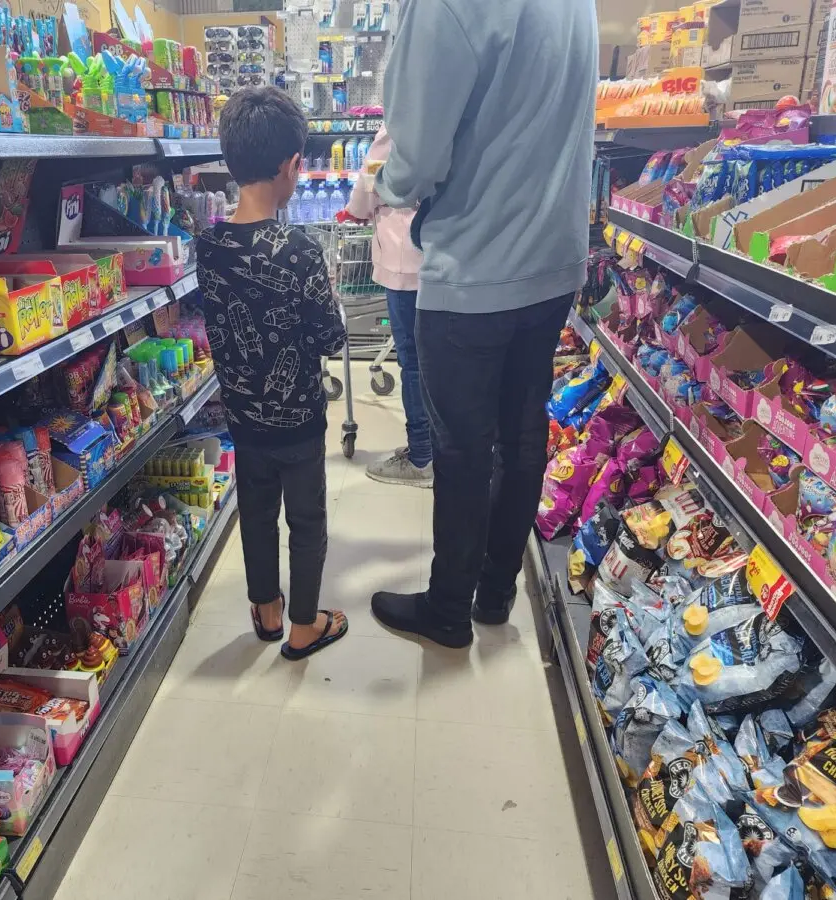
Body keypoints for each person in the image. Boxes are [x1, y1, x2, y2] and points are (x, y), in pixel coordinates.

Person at [369, 0, 597, 648]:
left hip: (477, 262)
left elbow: (414, 159)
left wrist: (383, 185)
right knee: (524, 436)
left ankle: (447, 610)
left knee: (463, 451)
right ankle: (496, 593)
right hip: (554, 256)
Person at [198, 86, 350, 660]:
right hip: (299, 420)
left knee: (256, 515)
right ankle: (306, 627)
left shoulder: (207, 244)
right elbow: (328, 338)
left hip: (242, 415)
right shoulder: (301, 250)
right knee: (305, 520)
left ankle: (266, 611)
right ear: (292, 167)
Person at [342, 126, 431, 488]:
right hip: (442, 254)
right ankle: (439, 447)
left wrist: (356, 209)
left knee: (412, 361)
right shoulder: (452, 110)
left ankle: (422, 455)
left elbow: (371, 179)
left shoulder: (397, 123)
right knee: (438, 359)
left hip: (404, 259)